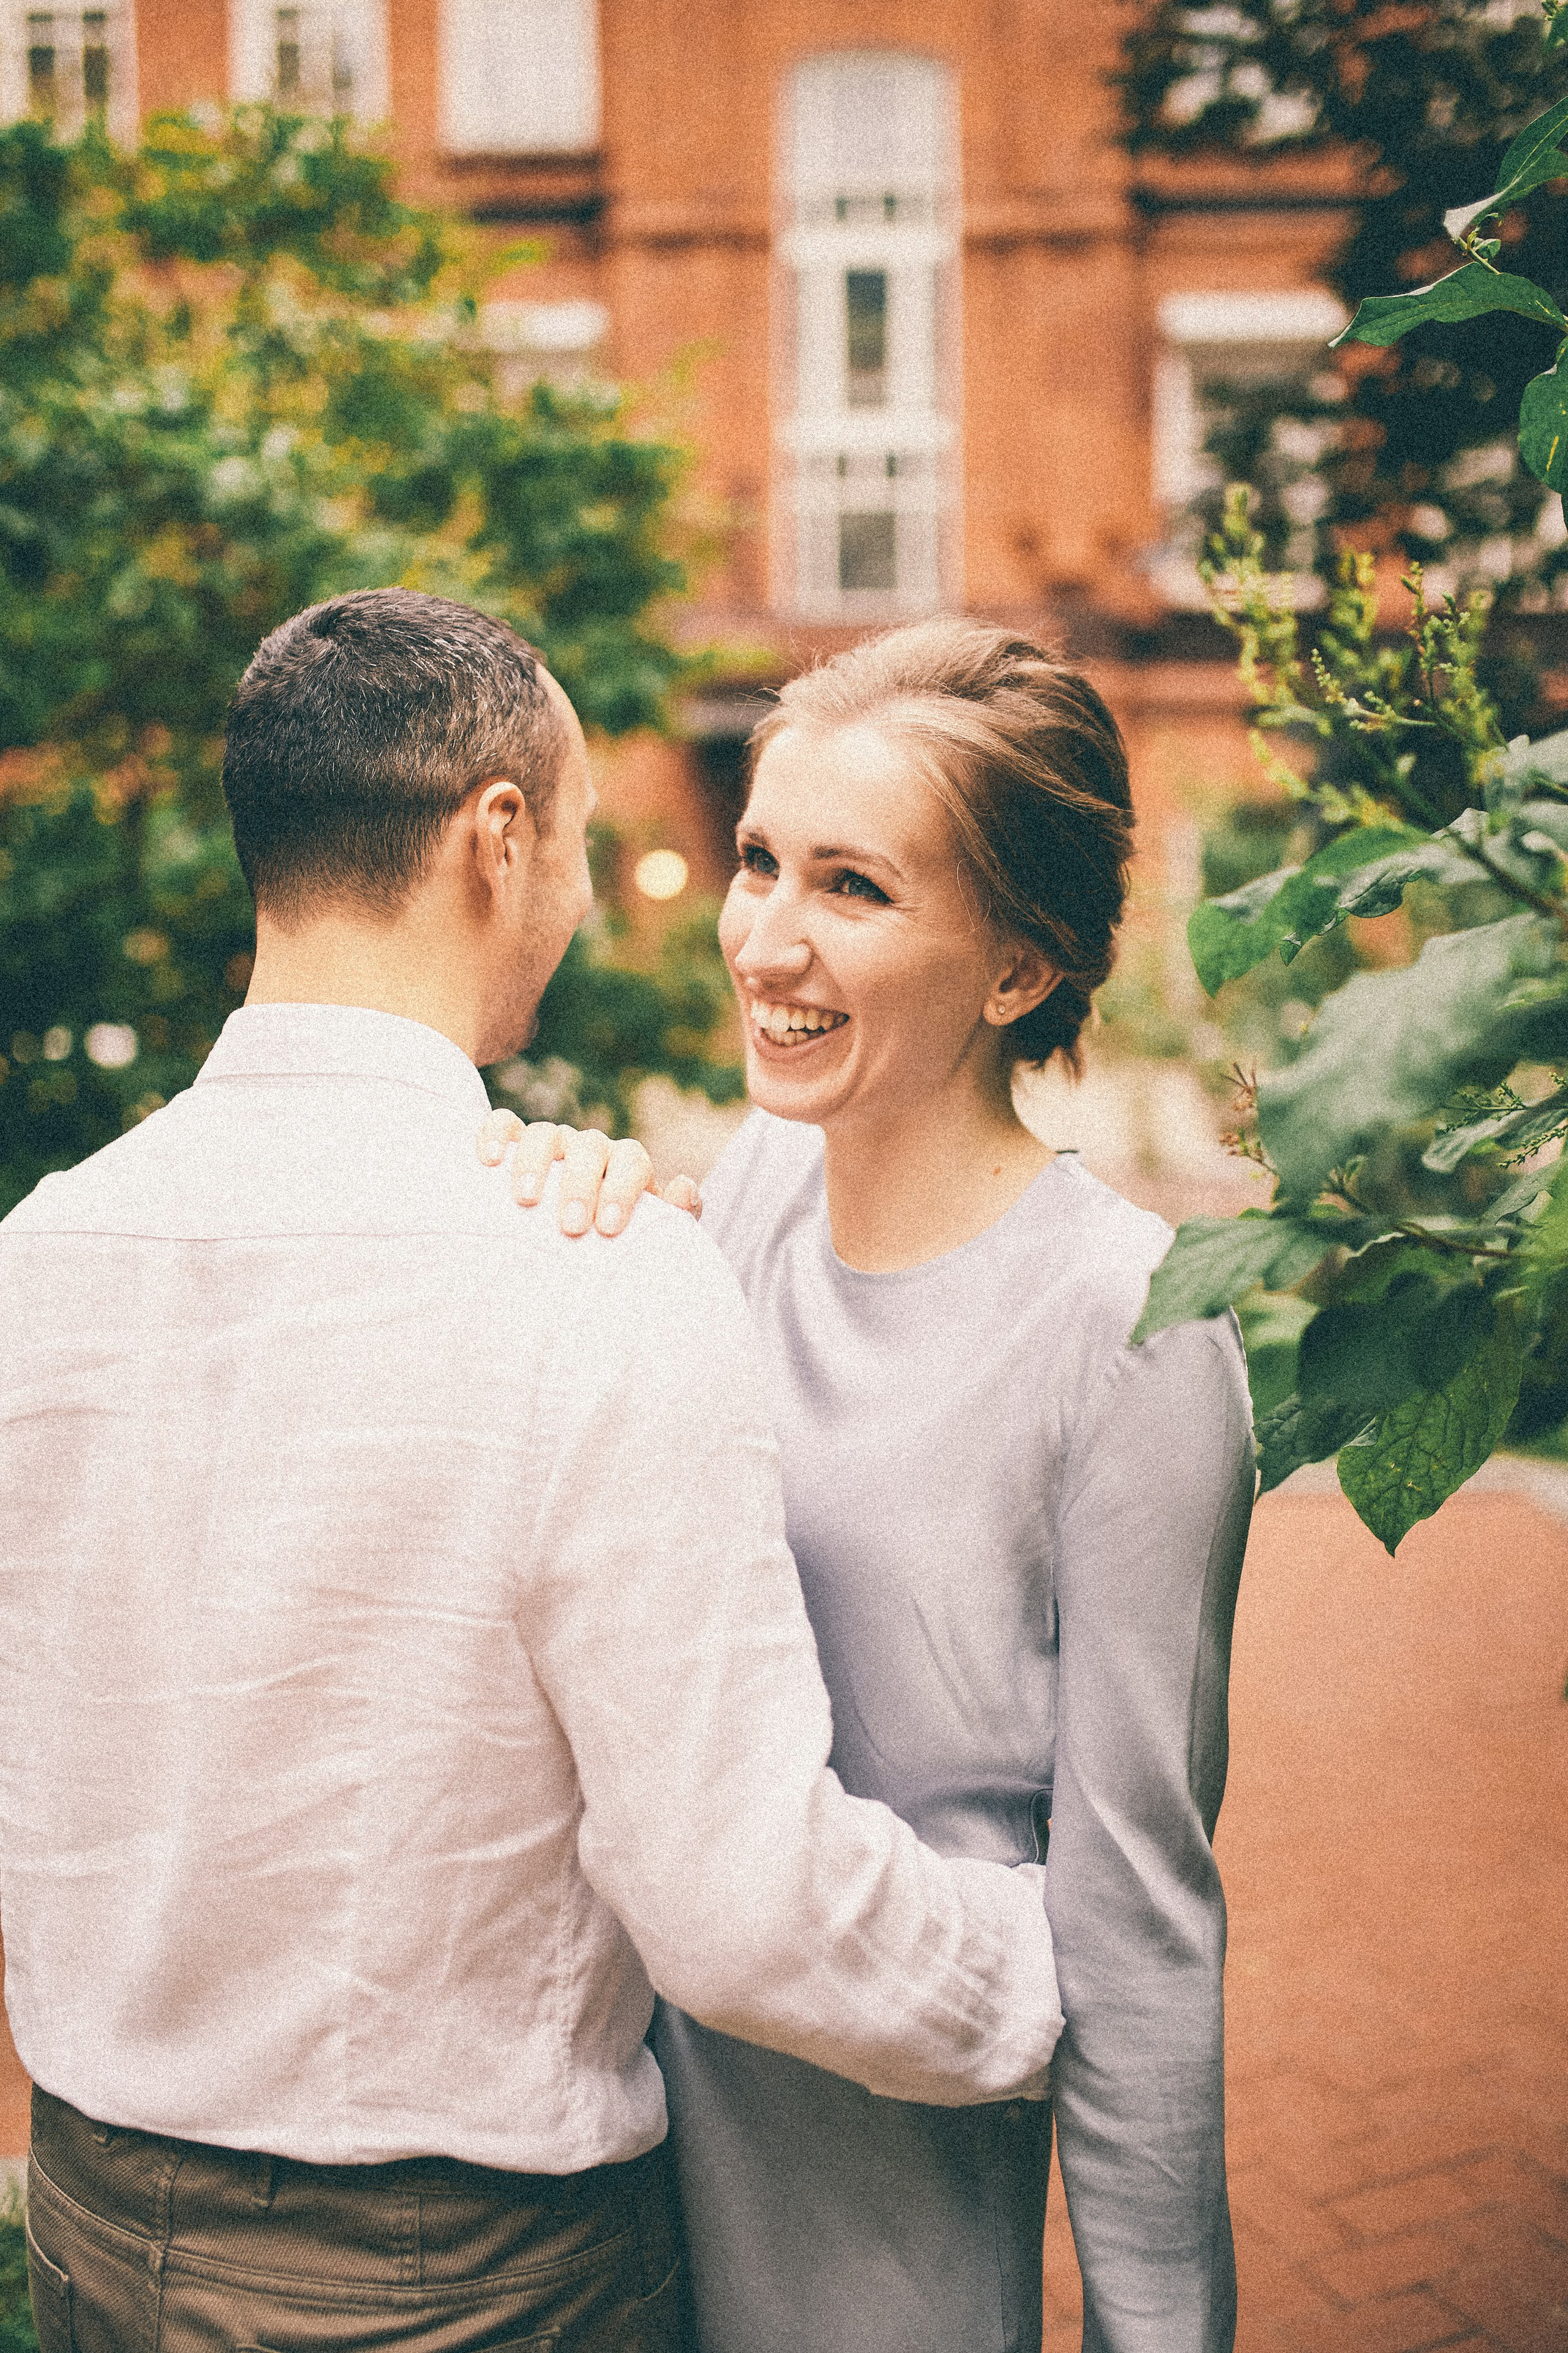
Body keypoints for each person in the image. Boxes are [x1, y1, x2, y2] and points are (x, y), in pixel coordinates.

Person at [0, 592, 1068, 2353]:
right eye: (582, 837)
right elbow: (746, 1910)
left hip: (95, 2221)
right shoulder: (594, 1282)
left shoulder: (42, 1253)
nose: (585, 896)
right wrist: (1045, 1968)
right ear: (498, 835)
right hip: (449, 2277)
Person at [485, 618, 1256, 2353]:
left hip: (880, 2206)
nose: (765, 937)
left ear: (1017, 967)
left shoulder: (1128, 1330)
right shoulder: (747, 1188)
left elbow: (1136, 1918)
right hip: (615, 2148)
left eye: (855, 885)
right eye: (762, 860)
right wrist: (548, 1215)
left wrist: (1161, 2334)